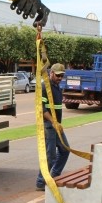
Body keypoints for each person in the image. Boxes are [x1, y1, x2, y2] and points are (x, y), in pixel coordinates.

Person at [35, 63, 70, 191]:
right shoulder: (45, 87)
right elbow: (42, 109)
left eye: (62, 76)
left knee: (65, 150)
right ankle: (41, 182)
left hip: (56, 126)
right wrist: (54, 122)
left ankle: (53, 175)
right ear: (51, 73)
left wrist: (58, 124)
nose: (60, 78)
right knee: (50, 155)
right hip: (49, 126)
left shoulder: (57, 88)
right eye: (58, 75)